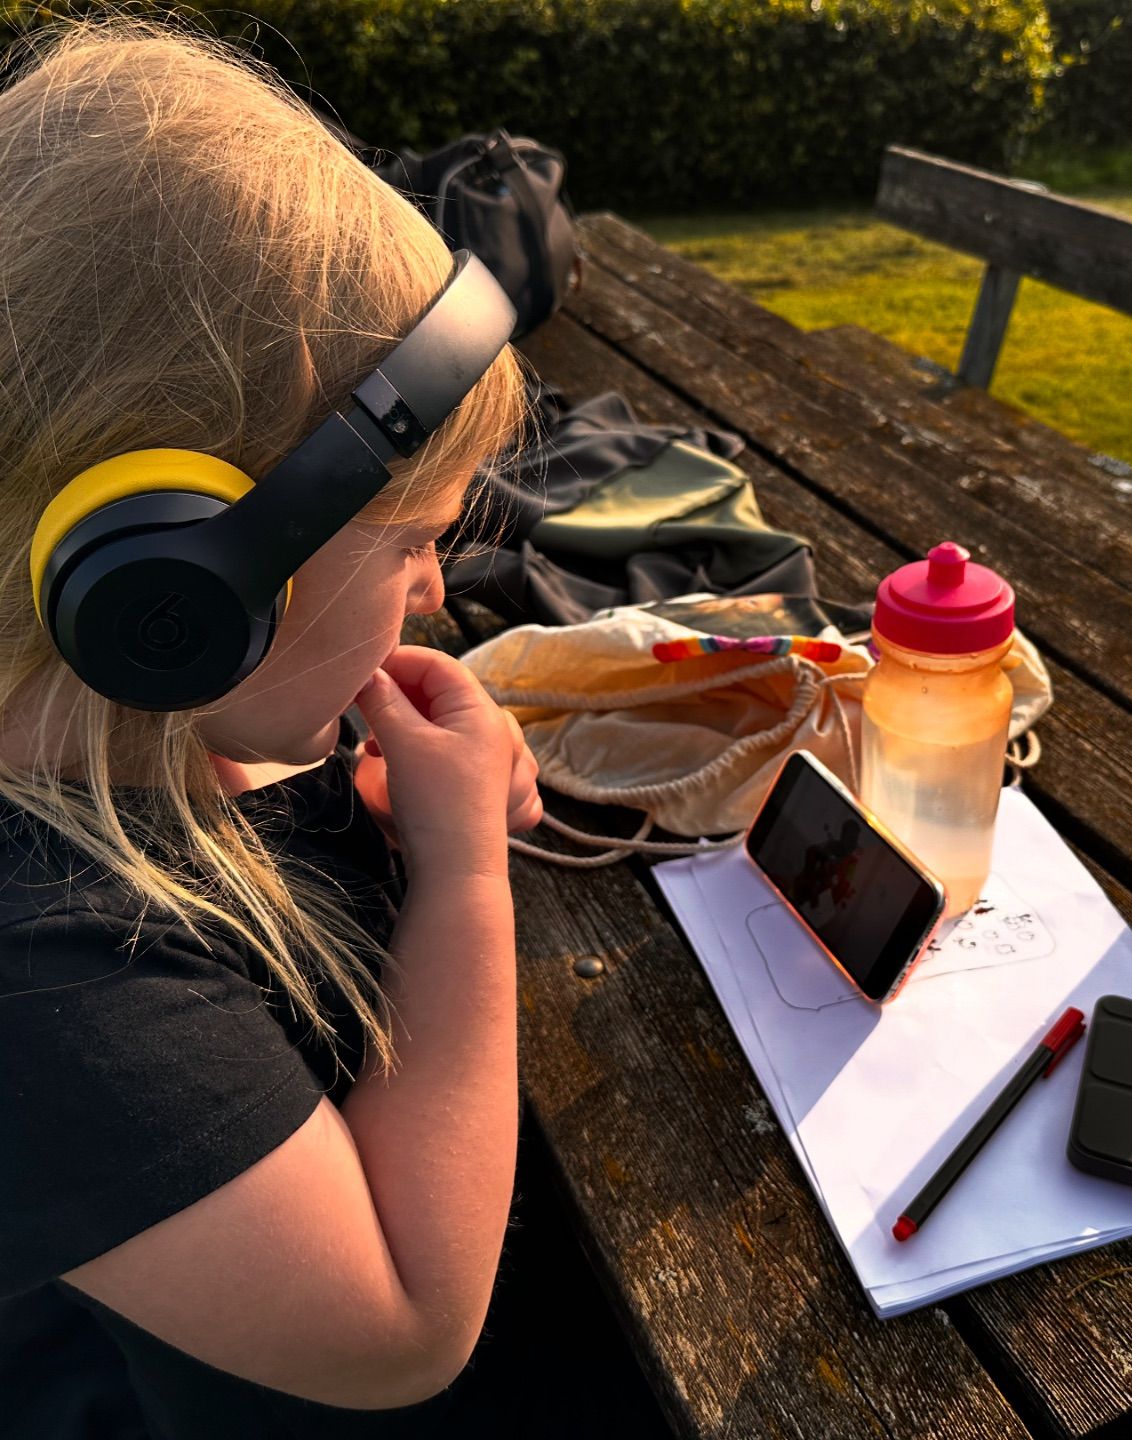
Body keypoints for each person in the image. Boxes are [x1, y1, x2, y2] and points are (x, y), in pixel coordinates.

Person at [0, 14, 672, 1438]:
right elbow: (403, 1329)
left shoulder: (144, 727)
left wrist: (371, 813)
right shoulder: (41, 982)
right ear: (178, 580)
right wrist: (465, 880)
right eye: (416, 542)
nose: (438, 592)